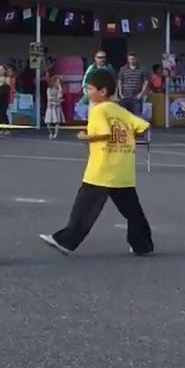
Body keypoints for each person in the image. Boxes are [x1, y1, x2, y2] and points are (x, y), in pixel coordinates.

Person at [40, 69, 153, 256]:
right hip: (122, 168)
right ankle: (143, 244)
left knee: (84, 207)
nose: (88, 92)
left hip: (102, 168)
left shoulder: (98, 109)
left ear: (103, 91)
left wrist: (86, 136)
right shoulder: (119, 109)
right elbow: (142, 126)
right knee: (132, 211)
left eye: (90, 88)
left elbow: (104, 132)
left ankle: (66, 241)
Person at [45, 75, 65, 139]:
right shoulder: (49, 89)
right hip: (50, 106)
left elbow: (60, 96)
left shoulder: (58, 89)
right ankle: (50, 133)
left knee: (57, 121)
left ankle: (55, 134)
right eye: (57, 82)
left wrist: (60, 88)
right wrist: (57, 99)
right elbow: (49, 98)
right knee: (48, 122)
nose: (58, 83)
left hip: (57, 106)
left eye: (59, 82)